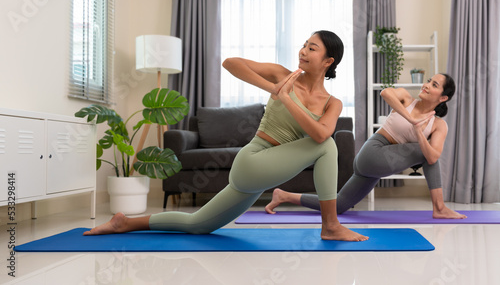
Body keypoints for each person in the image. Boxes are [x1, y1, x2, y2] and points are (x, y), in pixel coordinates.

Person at [84, 30, 368, 241]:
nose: (303, 51)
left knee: (199, 224)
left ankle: (125, 223)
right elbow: (231, 63)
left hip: (263, 173)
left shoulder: (333, 103)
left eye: (312, 48)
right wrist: (274, 89)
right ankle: (330, 226)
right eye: (304, 45)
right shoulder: (281, 75)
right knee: (327, 145)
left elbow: (320, 133)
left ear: (328, 60)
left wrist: (288, 99)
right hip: (253, 161)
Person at [265, 73, 467, 220]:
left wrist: (418, 134)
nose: (427, 85)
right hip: (372, 153)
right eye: (429, 81)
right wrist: (410, 119)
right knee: (425, 154)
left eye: (434, 85)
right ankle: (439, 207)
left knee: (340, 206)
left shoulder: (439, 125)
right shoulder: (406, 98)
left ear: (443, 98)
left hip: (375, 169)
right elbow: (386, 93)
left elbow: (433, 156)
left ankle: (283, 195)